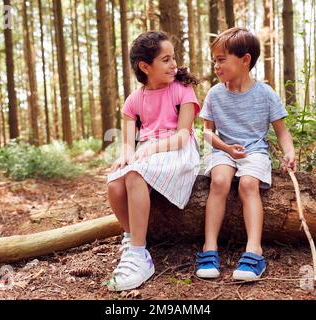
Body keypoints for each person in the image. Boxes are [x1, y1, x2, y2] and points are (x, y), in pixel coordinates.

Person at [196, 27, 296, 281]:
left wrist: (290, 153)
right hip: (223, 150)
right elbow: (207, 133)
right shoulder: (215, 94)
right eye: (215, 60)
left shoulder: (265, 93)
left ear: (245, 59)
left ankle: (254, 250)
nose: (216, 66)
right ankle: (210, 247)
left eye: (221, 59)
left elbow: (282, 132)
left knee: (248, 184)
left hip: (254, 151)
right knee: (219, 181)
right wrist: (226, 148)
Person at [106, 31, 201, 291]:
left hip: (177, 150)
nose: (175, 65)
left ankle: (138, 255)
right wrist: (126, 155)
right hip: (148, 152)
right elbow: (127, 143)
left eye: (174, 58)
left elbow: (182, 136)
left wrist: (150, 150)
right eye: (166, 60)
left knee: (135, 176)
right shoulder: (134, 99)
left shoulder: (182, 89)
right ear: (145, 67)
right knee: (115, 184)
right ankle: (133, 239)